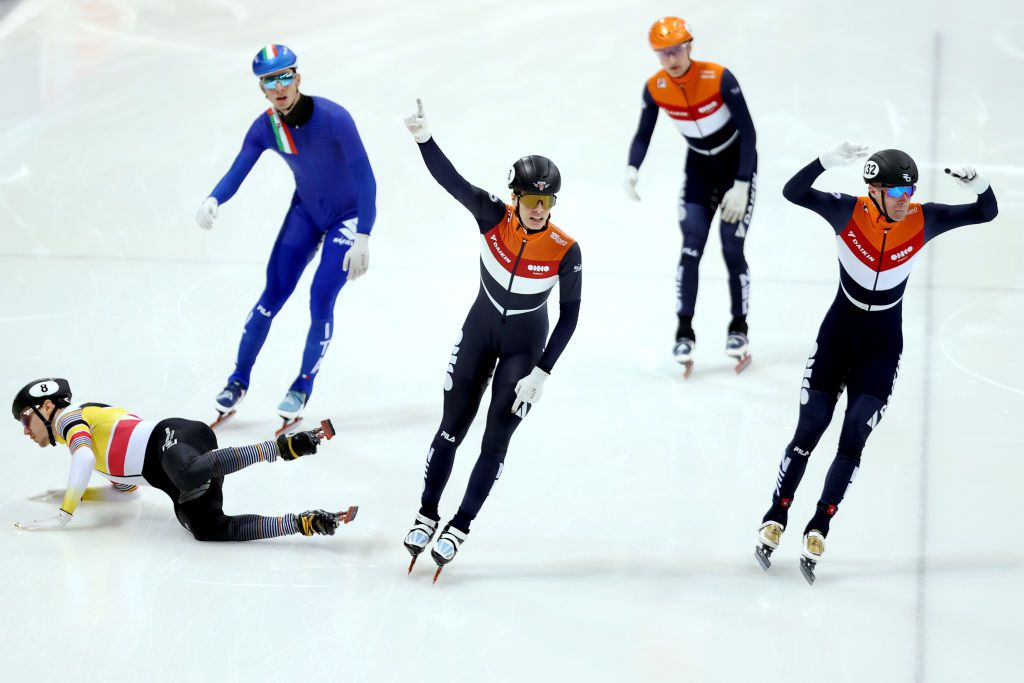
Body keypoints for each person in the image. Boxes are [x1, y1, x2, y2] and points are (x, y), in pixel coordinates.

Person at [754, 142, 998, 584]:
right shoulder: (847, 213)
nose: (907, 201)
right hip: (836, 340)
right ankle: (777, 513)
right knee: (810, 429)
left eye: (911, 192)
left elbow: (986, 212)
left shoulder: (926, 219)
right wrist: (826, 160)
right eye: (899, 193)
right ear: (875, 189)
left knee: (854, 437)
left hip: (882, 348)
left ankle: (820, 524)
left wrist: (976, 183)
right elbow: (794, 191)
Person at [400, 100, 582, 580]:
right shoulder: (490, 215)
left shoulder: (565, 248)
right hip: (479, 331)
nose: (540, 210)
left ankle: (460, 524)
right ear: (516, 197)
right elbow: (451, 180)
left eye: (548, 202)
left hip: (524, 349)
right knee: (451, 428)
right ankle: (426, 513)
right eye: (532, 201)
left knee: (494, 440)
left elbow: (571, 314)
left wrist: (543, 370)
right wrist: (424, 139)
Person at [195, 44, 377, 430]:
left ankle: (302, 383)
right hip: (306, 213)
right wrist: (214, 198)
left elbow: (365, 178)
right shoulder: (266, 127)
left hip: (347, 218)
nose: (278, 88)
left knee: (320, 297)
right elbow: (239, 167)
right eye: (268, 81)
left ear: (297, 77)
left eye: (284, 77)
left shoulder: (334, 118)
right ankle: (237, 380)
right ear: (261, 88)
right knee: (270, 297)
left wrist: (364, 234)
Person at [12, 378, 357, 539]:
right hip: (173, 477)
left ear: (45, 407)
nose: (26, 431)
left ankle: (284, 447)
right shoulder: (88, 443)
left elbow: (83, 459)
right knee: (207, 529)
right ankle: (303, 522)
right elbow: (125, 492)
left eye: (26, 419)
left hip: (174, 439)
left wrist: (65, 515)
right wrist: (76, 495)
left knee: (186, 471)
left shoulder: (69, 418)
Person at [625, 17, 757, 376]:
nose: (671, 58)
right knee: (691, 247)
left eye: (677, 49)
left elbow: (748, 130)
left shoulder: (718, 77)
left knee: (731, 248)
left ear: (690, 46)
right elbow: (643, 134)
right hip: (698, 172)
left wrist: (743, 183)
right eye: (663, 53)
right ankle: (684, 330)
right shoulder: (656, 87)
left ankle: (739, 327)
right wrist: (632, 168)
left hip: (735, 169)